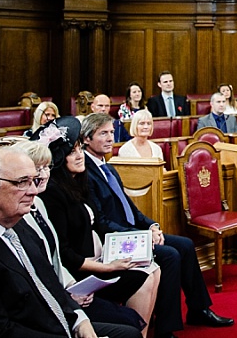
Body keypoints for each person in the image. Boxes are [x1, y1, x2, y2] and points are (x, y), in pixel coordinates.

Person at [0, 147, 140, 338]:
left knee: (129, 332)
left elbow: (49, 283)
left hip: (52, 322)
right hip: (31, 331)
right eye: (22, 182)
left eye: (33, 180)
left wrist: (79, 320)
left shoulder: (15, 222)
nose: (34, 191)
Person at [80, 114, 233, 338]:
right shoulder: (86, 173)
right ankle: (165, 329)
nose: (110, 138)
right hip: (116, 241)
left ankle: (198, 309)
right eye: (103, 133)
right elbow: (101, 223)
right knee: (170, 255)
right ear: (86, 139)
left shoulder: (108, 167)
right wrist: (141, 235)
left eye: (112, 132)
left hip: (133, 233)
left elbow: (129, 207)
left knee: (185, 245)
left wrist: (152, 225)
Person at [39, 119, 157, 334]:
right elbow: (64, 253)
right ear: (58, 160)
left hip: (97, 258)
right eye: (71, 152)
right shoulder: (53, 194)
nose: (79, 155)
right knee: (142, 280)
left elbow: (101, 223)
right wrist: (107, 267)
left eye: (79, 150)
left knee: (148, 271)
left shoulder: (78, 182)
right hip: (80, 274)